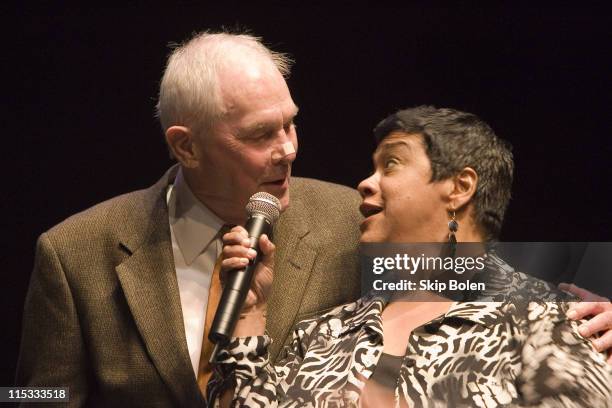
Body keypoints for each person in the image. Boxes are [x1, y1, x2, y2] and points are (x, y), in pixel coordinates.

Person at [16, 32, 362, 406]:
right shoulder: (73, 252)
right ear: (187, 147)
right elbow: (32, 396)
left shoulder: (351, 221)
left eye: (289, 124)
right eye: (260, 134)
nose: (288, 149)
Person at [209, 106, 612, 407]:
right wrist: (250, 315)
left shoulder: (555, 319)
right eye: (373, 167)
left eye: (392, 164)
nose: (365, 183)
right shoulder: (325, 333)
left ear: (459, 187)